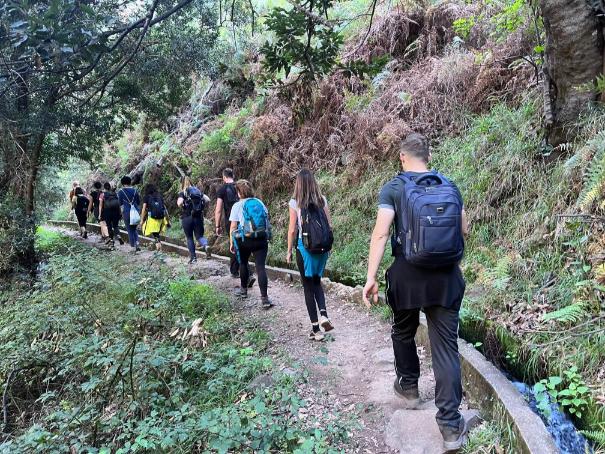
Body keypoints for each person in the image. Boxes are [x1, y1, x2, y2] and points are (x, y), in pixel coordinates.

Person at [362, 133, 470, 452]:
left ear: (402, 157)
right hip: (446, 279)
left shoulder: (394, 187)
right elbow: (463, 230)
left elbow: (382, 234)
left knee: (403, 330)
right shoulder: (448, 184)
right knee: (446, 349)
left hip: (407, 275)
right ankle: (450, 427)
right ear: (429, 156)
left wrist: (371, 277)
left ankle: (408, 386)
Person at [287, 169, 334, 341]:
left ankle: (316, 330)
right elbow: (329, 225)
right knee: (317, 282)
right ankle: (324, 314)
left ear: (298, 184)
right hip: (322, 248)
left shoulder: (295, 203)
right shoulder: (322, 200)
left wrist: (289, 250)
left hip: (305, 248)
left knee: (307, 286)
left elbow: (292, 230)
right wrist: (328, 247)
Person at [229, 179, 273, 308]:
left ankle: (243, 291)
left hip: (245, 240)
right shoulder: (259, 202)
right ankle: (264, 299)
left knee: (243, 263)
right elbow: (266, 220)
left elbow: (233, 226)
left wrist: (232, 243)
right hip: (261, 238)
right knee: (260, 267)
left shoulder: (237, 205)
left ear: (239, 192)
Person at [177, 176, 211, 264]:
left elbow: (179, 202)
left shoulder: (183, 192)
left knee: (189, 237)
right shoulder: (198, 192)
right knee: (199, 236)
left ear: (182, 183)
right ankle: (206, 245)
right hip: (198, 217)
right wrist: (199, 207)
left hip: (187, 217)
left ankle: (193, 259)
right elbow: (207, 200)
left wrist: (183, 206)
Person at [215, 168, 240, 278]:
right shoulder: (239, 186)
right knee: (243, 242)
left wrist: (217, 225)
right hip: (243, 219)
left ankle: (235, 270)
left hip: (230, 220)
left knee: (233, 243)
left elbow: (218, 209)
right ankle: (244, 267)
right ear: (233, 175)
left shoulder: (222, 189)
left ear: (224, 177)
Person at [141, 183, 170, 251]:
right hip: (161, 217)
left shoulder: (146, 197)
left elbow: (144, 209)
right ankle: (158, 247)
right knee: (156, 233)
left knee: (155, 234)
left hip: (152, 218)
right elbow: (164, 208)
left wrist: (142, 220)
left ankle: (159, 249)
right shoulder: (159, 196)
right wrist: (168, 219)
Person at [117, 175, 141, 252]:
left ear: (122, 183)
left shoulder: (121, 192)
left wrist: (121, 214)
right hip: (135, 212)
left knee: (130, 229)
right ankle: (137, 243)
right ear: (130, 182)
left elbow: (121, 204)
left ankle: (132, 246)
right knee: (134, 228)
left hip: (127, 212)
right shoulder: (135, 190)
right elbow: (138, 202)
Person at [99, 182, 123, 249]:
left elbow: (100, 205)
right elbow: (119, 205)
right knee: (115, 225)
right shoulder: (115, 194)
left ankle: (112, 242)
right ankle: (118, 235)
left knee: (109, 226)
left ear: (104, 187)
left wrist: (100, 214)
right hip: (116, 212)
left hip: (107, 212)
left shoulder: (102, 194)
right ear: (110, 187)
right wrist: (120, 213)